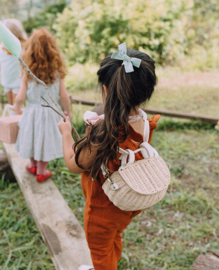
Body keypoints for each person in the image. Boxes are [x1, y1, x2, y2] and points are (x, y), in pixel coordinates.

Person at [58, 44, 160, 270]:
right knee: (115, 236)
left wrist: (66, 134)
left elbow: (75, 165)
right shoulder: (143, 121)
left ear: (105, 90)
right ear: (145, 93)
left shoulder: (105, 133)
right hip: (129, 202)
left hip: (104, 207)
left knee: (100, 249)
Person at [13, 28, 72, 182]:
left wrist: (17, 108)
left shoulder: (28, 71)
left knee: (31, 138)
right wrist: (69, 112)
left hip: (31, 112)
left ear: (31, 49)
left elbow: (20, 96)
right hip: (50, 112)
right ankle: (41, 171)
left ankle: (32, 166)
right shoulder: (56, 71)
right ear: (52, 50)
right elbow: (64, 96)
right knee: (45, 141)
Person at [0, 19, 27, 105]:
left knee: (16, 105)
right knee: (11, 104)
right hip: (6, 81)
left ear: (17, 34)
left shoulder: (23, 48)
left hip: (19, 82)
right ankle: (12, 117)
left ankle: (16, 117)